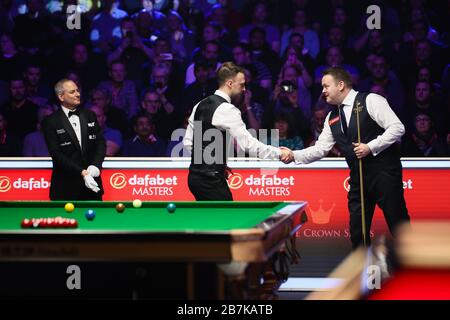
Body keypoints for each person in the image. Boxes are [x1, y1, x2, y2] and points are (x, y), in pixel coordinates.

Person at [283, 67, 410, 249]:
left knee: (399, 227)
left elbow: (397, 128)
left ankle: (414, 272)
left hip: (384, 175)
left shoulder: (371, 100)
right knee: (358, 233)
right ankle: (361, 273)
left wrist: (371, 146)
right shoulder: (331, 117)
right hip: (358, 180)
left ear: (341, 85)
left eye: (326, 86)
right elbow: (320, 149)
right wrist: (293, 154)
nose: (323, 91)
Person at [183, 62, 291, 201]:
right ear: (230, 83)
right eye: (241, 84)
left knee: (210, 221)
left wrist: (214, 163)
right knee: (227, 220)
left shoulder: (200, 104)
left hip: (194, 179)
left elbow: (188, 143)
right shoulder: (228, 109)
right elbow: (249, 145)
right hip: (211, 181)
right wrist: (279, 153)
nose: (244, 89)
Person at [42, 79, 106, 200]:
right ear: (61, 96)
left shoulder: (90, 115)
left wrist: (96, 166)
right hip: (65, 188)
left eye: (77, 90)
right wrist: (82, 172)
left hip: (92, 186)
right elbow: (56, 154)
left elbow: (100, 143)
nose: (77, 94)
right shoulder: (50, 121)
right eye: (72, 92)